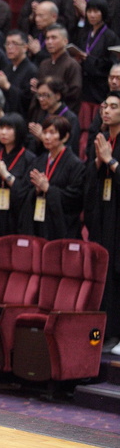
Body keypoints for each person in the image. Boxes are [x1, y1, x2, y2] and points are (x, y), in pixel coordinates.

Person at [84, 91, 120, 354]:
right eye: (104, 106)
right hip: (104, 215)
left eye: (113, 107)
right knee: (104, 275)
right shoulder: (103, 139)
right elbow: (90, 182)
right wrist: (98, 163)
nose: (105, 111)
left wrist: (110, 161)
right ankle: (102, 335)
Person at [18, 115, 85, 239]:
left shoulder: (75, 165)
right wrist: (36, 191)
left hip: (61, 226)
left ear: (65, 137)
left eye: (52, 133)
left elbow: (75, 198)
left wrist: (48, 189)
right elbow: (23, 190)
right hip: (38, 222)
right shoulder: (38, 161)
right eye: (44, 132)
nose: (47, 137)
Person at [0, 112, 36, 235]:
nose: (3, 132)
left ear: (19, 131)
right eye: (1, 128)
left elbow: (26, 192)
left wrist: (5, 174)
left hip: (16, 214)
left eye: (9, 128)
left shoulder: (29, 158)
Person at [74, 0, 120, 104]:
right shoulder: (84, 34)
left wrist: (89, 59)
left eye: (96, 11)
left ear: (103, 13)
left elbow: (111, 62)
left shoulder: (110, 36)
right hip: (84, 83)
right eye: (89, 11)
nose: (92, 15)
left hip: (100, 86)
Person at [32, 24, 83, 114]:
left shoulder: (72, 65)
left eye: (54, 38)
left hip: (62, 114)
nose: (49, 42)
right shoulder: (44, 63)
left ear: (65, 41)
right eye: (47, 38)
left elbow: (74, 93)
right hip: (42, 112)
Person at [0, 30, 38, 115]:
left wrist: (7, 86)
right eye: (7, 44)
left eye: (14, 44)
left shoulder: (31, 70)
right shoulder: (7, 68)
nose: (10, 47)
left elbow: (27, 100)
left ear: (25, 47)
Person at [28, 77, 80, 153]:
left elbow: (70, 149)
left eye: (45, 95)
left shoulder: (71, 118)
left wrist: (43, 137)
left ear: (57, 96)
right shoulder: (42, 114)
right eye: (39, 95)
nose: (41, 99)